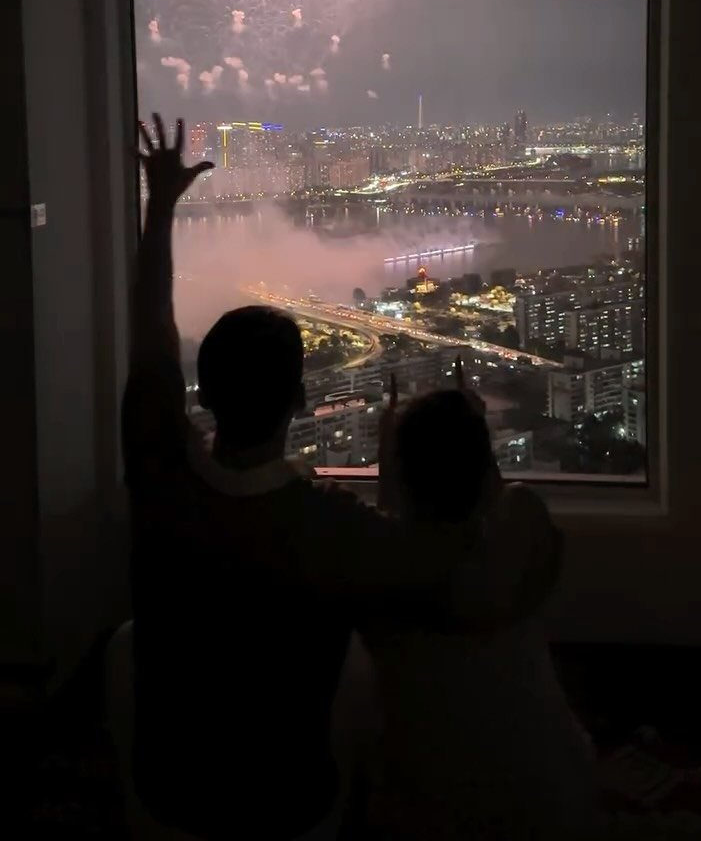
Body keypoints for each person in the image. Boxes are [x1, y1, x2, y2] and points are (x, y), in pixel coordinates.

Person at [122, 115, 562, 841]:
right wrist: (448, 453)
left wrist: (160, 206)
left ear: (204, 394)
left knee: (124, 650)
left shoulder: (160, 473)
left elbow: (149, 338)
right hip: (290, 808)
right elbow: (462, 571)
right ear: (301, 400)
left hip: (164, 791)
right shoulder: (332, 528)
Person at [365, 387, 600, 840]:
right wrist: (471, 434)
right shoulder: (520, 534)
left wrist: (387, 455)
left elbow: (392, 534)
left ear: (403, 478)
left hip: (430, 817)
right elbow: (506, 511)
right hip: (553, 803)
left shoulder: (381, 577)